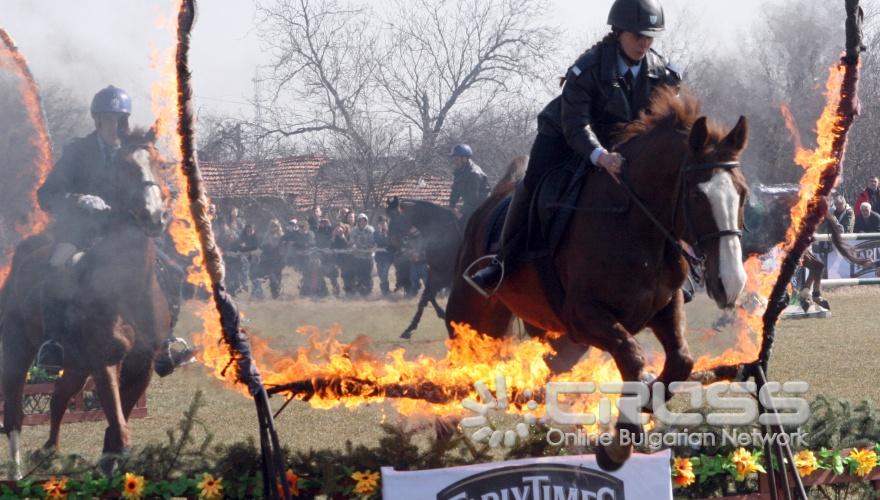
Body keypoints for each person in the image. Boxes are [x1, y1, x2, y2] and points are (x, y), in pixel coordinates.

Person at [466, 0, 680, 294]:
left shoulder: (663, 74)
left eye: (649, 36)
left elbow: (669, 124)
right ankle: (503, 261)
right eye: (637, 35)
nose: (644, 43)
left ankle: (680, 265)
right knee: (533, 183)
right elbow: (576, 126)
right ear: (618, 32)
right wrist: (601, 157)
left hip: (622, 145)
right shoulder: (587, 68)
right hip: (564, 137)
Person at [34, 85, 191, 373]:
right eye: (109, 118)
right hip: (81, 233)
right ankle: (53, 342)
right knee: (56, 265)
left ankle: (165, 341)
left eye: (121, 118)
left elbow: (152, 189)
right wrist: (78, 199)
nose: (116, 124)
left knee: (174, 271)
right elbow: (47, 195)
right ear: (97, 119)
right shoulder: (77, 151)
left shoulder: (135, 153)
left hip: (124, 236)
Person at [448, 144, 490, 222]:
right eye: (453, 159)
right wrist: (451, 206)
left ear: (464, 159)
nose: (454, 162)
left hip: (482, 208)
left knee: (463, 225)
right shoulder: (459, 172)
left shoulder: (474, 174)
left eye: (456, 159)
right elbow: (455, 191)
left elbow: (472, 199)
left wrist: (460, 212)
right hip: (470, 206)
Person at [350, 213, 376, 296]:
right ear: (358, 221)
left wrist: (364, 247)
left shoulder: (371, 230)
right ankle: (360, 291)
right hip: (357, 257)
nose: (362, 222)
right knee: (359, 275)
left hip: (368, 257)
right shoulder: (354, 230)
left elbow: (372, 242)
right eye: (360, 220)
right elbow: (352, 241)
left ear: (366, 221)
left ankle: (368, 291)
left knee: (368, 275)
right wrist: (354, 246)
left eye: (364, 220)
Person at [261, 219, 286, 299]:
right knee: (272, 276)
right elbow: (263, 246)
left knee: (278, 275)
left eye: (275, 226)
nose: (274, 228)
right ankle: (274, 292)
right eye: (272, 226)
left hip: (279, 258)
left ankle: (277, 293)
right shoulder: (267, 236)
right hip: (269, 258)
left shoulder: (281, 235)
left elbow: (283, 247)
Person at [373, 215, 394, 296]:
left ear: (386, 223)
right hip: (379, 257)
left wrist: (384, 235)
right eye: (380, 223)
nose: (382, 224)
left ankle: (385, 292)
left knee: (384, 274)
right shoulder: (375, 233)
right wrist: (380, 233)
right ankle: (386, 291)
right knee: (381, 275)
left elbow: (389, 243)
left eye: (384, 222)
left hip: (388, 257)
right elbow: (376, 242)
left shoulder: (390, 233)